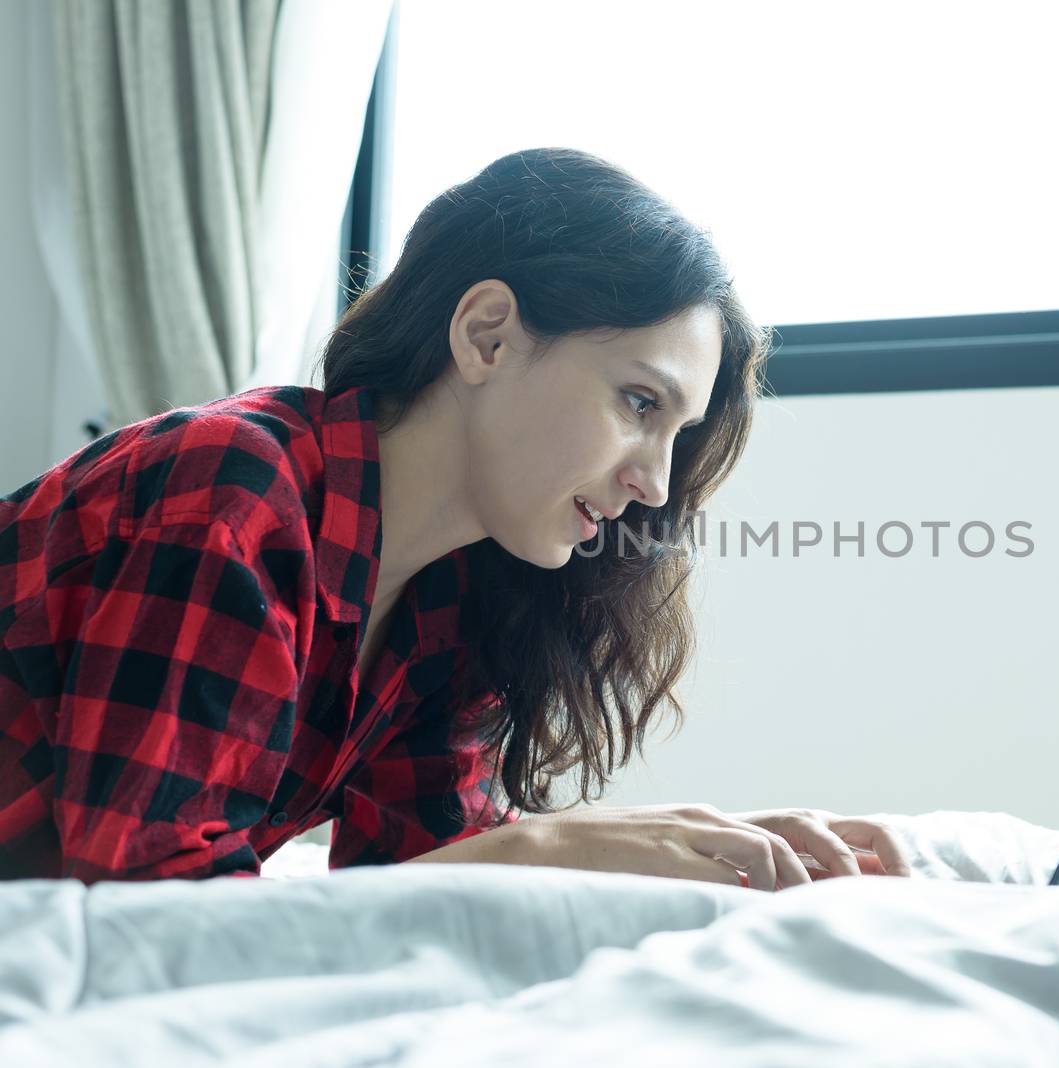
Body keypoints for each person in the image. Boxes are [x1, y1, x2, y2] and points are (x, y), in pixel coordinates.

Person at [0, 147, 911, 890]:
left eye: (676, 434)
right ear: (488, 335)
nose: (655, 485)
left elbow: (416, 874)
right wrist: (538, 847)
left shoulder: (453, 592)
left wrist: (699, 847)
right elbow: (144, 906)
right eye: (639, 402)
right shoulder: (235, 494)